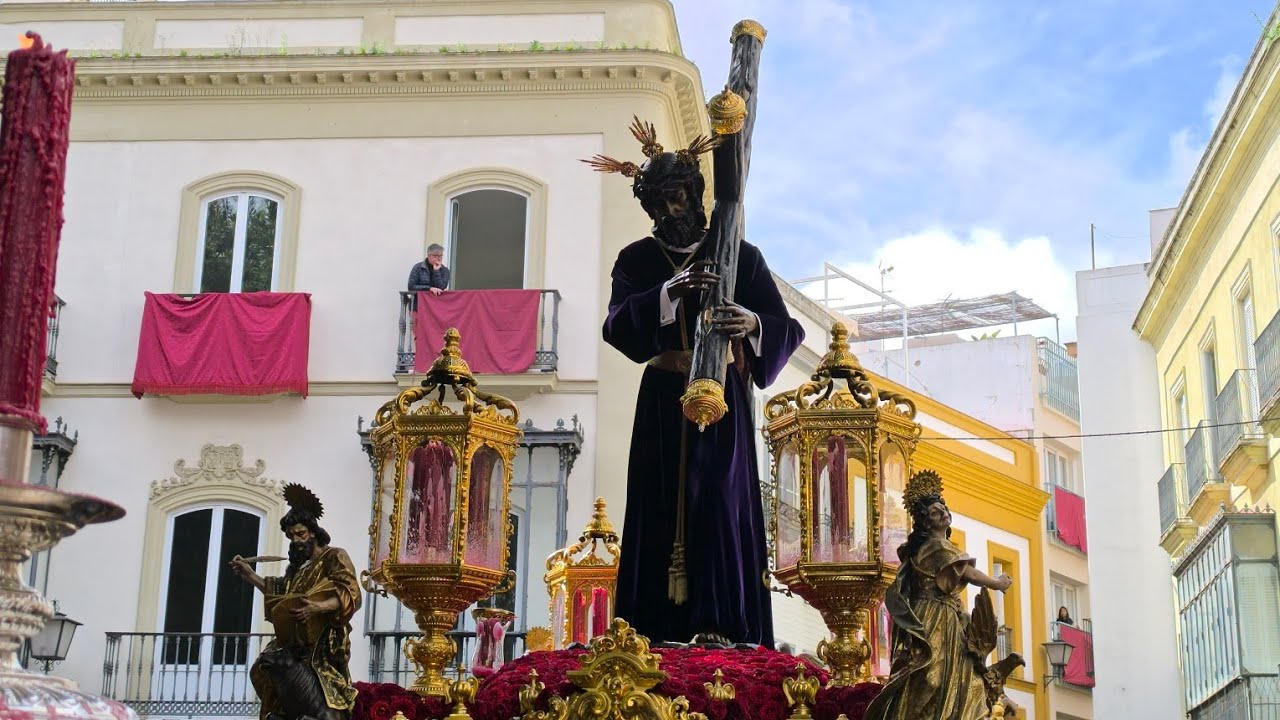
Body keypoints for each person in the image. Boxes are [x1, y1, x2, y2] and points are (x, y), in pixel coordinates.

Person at [589, 122, 804, 647]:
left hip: (722, 398)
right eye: (659, 203)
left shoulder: (740, 256)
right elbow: (617, 327)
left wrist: (751, 323)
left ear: (696, 192)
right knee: (658, 504)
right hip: (663, 399)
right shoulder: (637, 260)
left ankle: (724, 626)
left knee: (721, 505)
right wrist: (667, 293)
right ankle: (652, 635)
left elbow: (787, 328)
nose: (670, 211)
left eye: (678, 197)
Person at [864, 470, 1015, 720]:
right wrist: (997, 583)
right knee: (931, 674)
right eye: (935, 512)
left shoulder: (940, 546)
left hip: (947, 618)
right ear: (925, 523)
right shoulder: (935, 547)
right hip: (932, 617)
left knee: (954, 674)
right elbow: (968, 573)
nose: (943, 513)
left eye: (943, 509)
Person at [230, 484, 361, 720]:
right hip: (293, 637)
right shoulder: (297, 568)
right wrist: (250, 575)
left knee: (318, 689)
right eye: (291, 536)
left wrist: (318, 607)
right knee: (261, 670)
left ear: (313, 532)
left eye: (300, 534)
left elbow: (351, 594)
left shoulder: (334, 557)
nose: (296, 540)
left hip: (322, 640)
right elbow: (279, 592)